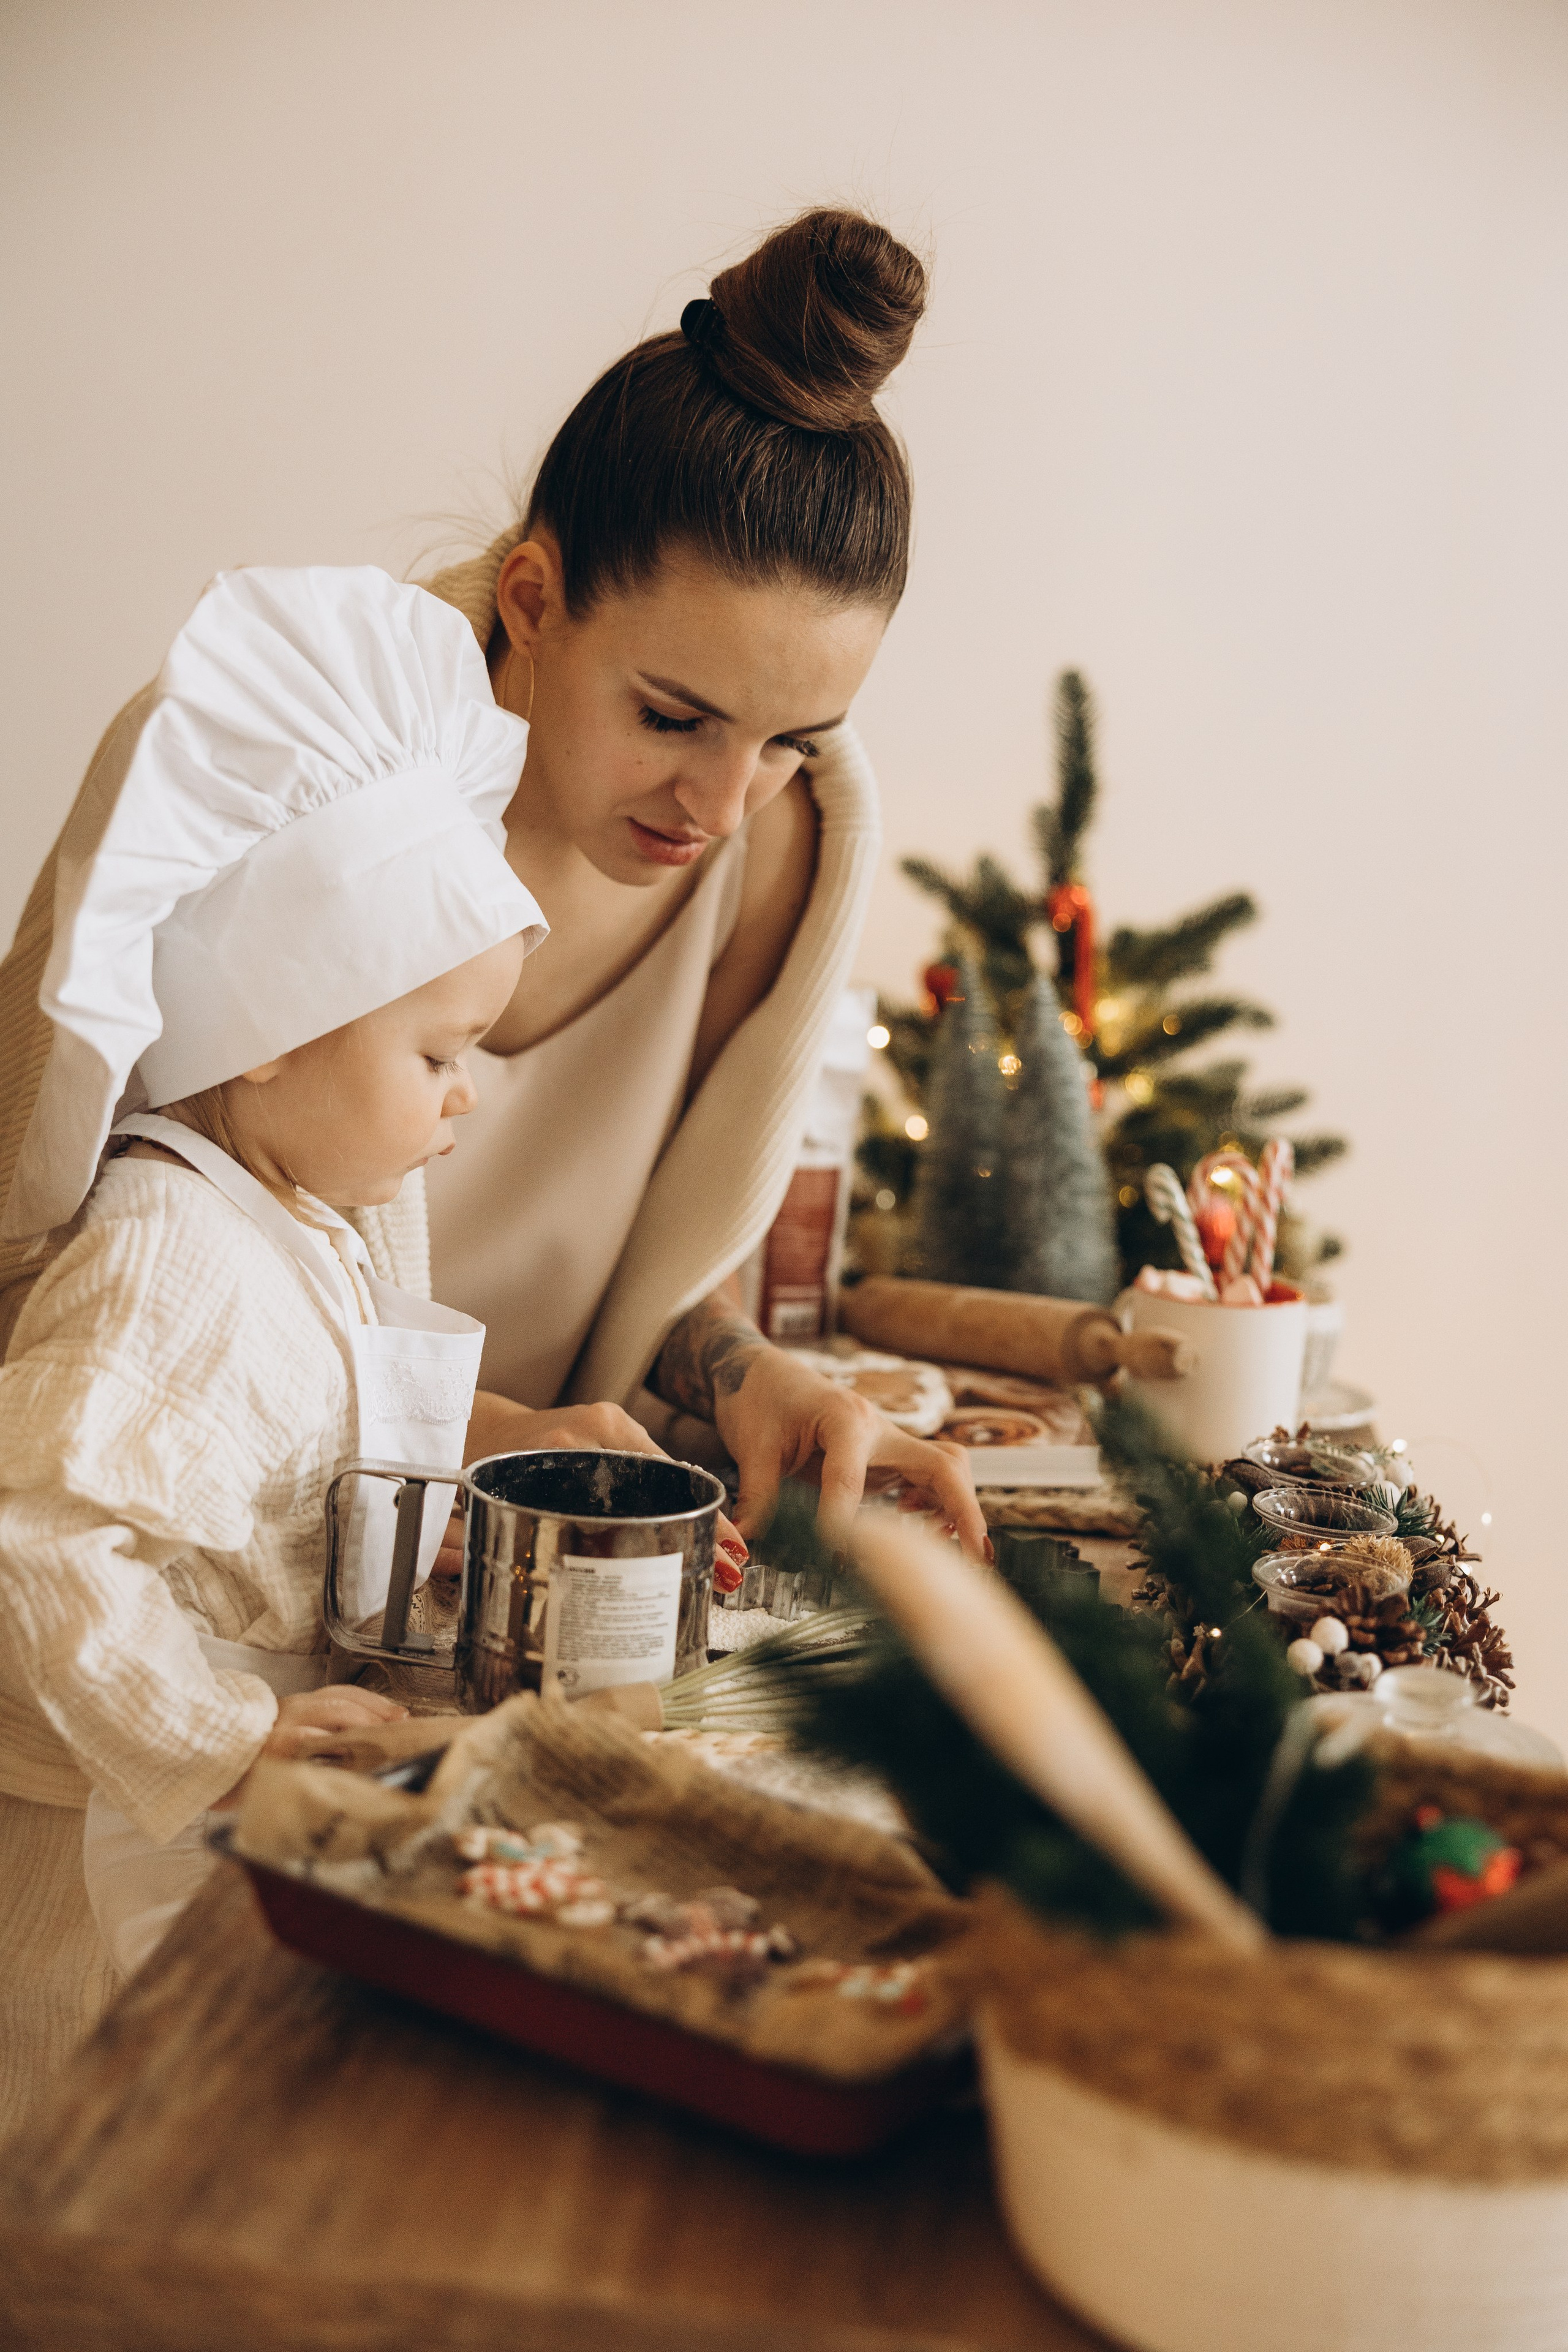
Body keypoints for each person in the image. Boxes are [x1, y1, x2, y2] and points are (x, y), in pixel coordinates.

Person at [0, 207, 988, 1561]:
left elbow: (626, 1300)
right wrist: (465, 1438)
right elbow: (50, 1299)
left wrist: (749, 1375)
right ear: (531, 597)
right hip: (197, 1592)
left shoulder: (781, 850)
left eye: (789, 741)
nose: (720, 805)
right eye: (671, 716)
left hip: (540, 1576)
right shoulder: (257, 769)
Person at [0, 564, 570, 2129]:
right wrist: (224, 1737)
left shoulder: (298, 1219)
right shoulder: (163, 1254)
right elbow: (40, 1541)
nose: (467, 1095)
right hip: (132, 1815)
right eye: (438, 1053)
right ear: (269, 1033)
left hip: (248, 1780)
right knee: (107, 2123)